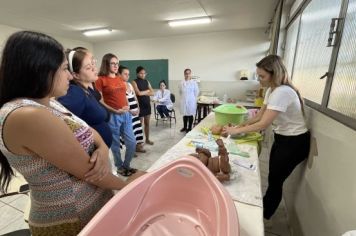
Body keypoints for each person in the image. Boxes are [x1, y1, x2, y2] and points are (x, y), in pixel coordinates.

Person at [0, 31, 143, 236]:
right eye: (65, 68)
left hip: (92, 209)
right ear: (40, 69)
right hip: (71, 220)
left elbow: (87, 129)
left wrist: (102, 149)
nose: (70, 75)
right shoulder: (28, 115)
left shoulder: (49, 102)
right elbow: (89, 173)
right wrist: (129, 186)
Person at [222, 55, 310, 221]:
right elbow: (260, 115)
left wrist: (234, 132)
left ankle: (262, 217)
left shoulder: (283, 92)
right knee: (273, 175)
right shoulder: (272, 90)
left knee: (275, 180)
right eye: (258, 75)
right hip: (282, 137)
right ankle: (265, 208)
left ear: (274, 74)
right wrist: (240, 126)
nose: (259, 80)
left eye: (262, 76)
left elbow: (263, 124)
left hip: (295, 142)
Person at [58, 47, 112, 147]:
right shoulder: (75, 92)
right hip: (89, 155)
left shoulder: (86, 89)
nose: (94, 69)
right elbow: (62, 127)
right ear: (76, 75)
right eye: (88, 68)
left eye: (93, 64)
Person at [96, 54, 137, 176]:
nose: (115, 66)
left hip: (126, 114)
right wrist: (113, 110)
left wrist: (129, 108)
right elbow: (99, 100)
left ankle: (126, 165)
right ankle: (119, 167)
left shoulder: (119, 78)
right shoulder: (100, 79)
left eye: (117, 63)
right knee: (115, 144)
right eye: (113, 63)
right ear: (106, 64)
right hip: (112, 116)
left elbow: (123, 96)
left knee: (132, 142)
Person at [118, 66, 146, 153]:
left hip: (135, 112)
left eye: (128, 74)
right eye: (125, 74)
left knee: (137, 130)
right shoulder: (118, 86)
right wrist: (130, 111)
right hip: (128, 114)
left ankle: (138, 147)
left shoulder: (129, 84)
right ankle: (130, 150)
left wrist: (138, 108)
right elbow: (122, 102)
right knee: (129, 133)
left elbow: (135, 97)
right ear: (119, 74)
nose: (127, 76)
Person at [132, 66, 155, 145]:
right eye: (141, 73)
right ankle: (138, 143)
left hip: (147, 105)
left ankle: (147, 139)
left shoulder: (147, 81)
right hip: (140, 106)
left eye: (144, 73)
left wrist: (144, 92)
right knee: (139, 125)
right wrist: (147, 91)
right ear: (137, 73)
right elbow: (138, 93)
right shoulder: (134, 82)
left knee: (147, 124)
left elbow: (152, 92)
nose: (143, 75)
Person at [179, 68, 199, 132]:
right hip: (183, 100)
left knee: (190, 114)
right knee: (185, 114)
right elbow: (180, 92)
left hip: (191, 101)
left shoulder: (194, 83)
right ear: (184, 74)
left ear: (190, 74)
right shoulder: (181, 83)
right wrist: (184, 98)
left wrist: (191, 98)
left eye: (188, 73)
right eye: (186, 74)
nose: (187, 75)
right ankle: (185, 127)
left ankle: (189, 128)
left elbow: (196, 92)